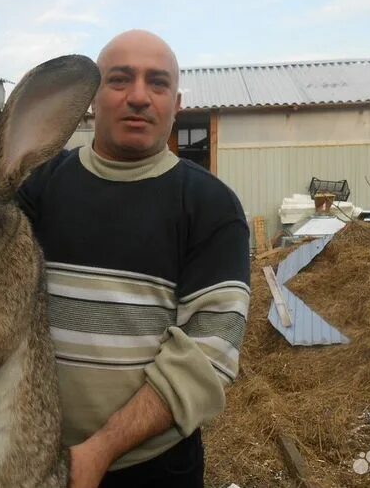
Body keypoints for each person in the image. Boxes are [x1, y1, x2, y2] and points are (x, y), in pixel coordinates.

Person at [18, 30, 251, 488]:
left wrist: (99, 449)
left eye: (157, 83)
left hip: (155, 467)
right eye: (120, 80)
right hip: (32, 457)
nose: (140, 97)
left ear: (176, 102)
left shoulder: (210, 206)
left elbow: (211, 351)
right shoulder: (39, 188)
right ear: (92, 98)